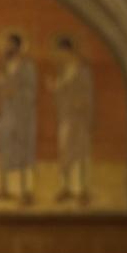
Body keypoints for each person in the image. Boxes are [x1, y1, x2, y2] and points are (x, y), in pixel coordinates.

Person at [0, 32, 37, 205]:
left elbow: (31, 92)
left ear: (17, 47)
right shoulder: (5, 66)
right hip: (7, 114)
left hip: (23, 116)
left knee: (23, 152)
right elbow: (2, 87)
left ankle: (26, 192)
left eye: (9, 44)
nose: (5, 48)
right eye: (5, 44)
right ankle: (6, 189)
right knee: (5, 150)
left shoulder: (27, 67)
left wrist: (14, 93)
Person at [49, 36, 94, 206]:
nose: (58, 56)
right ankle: (66, 187)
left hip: (79, 118)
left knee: (80, 153)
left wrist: (80, 102)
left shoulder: (82, 70)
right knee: (65, 152)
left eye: (60, 52)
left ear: (67, 51)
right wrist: (55, 88)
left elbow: (87, 94)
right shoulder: (63, 70)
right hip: (66, 116)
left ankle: (81, 190)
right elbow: (61, 93)